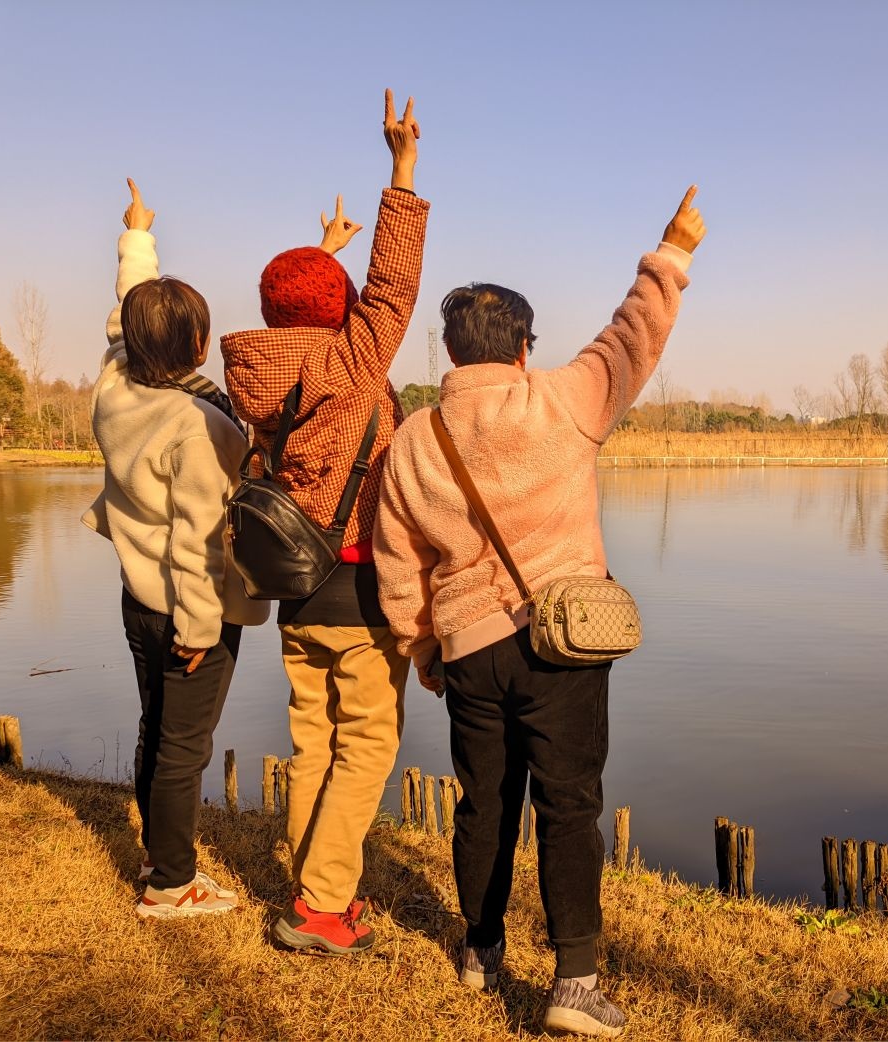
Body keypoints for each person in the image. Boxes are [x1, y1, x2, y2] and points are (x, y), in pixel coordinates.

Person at [373, 186, 706, 1037]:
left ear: (449, 350)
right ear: (524, 346)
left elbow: (397, 564)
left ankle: (481, 948)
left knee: (483, 803)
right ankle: (574, 984)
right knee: (569, 806)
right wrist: (670, 252)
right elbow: (634, 335)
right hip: (564, 645)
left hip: (470, 651)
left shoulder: (413, 438)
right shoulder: (561, 400)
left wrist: (424, 652)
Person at [219, 88, 427, 956]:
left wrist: (319, 258)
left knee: (314, 742)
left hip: (295, 588)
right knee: (366, 747)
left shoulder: (257, 367)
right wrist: (401, 169)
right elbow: (394, 286)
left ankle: (317, 884)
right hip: (358, 582)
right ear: (338, 310)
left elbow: (301, 302)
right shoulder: (350, 355)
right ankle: (319, 909)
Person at [84, 179, 269, 919]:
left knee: (156, 729)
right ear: (197, 344)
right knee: (183, 748)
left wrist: (136, 234)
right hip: (186, 610)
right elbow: (199, 546)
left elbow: (127, 312)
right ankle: (170, 885)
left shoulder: (114, 387)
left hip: (138, 598)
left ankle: (162, 860)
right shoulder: (201, 428)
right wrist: (199, 631)